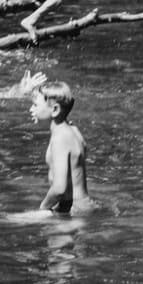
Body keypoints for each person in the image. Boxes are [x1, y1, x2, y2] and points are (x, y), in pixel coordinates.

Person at [29, 81, 90, 213]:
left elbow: (59, 188)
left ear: (55, 110)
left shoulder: (60, 138)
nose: (31, 109)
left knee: (5, 219)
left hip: (74, 212)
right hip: (81, 207)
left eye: (35, 105)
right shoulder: (72, 129)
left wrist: (43, 208)